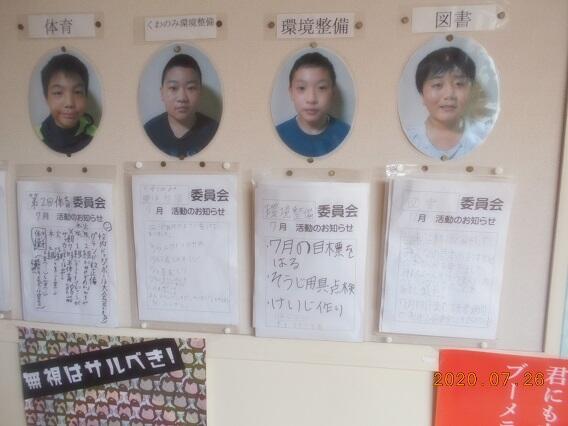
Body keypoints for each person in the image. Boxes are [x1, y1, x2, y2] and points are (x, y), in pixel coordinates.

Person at [407, 46, 491, 160]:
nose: (449, 94)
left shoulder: (486, 137)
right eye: (437, 85)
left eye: (459, 84)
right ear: (422, 95)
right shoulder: (409, 138)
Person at [276, 52, 350, 157]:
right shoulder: (277, 135)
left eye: (321, 88)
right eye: (301, 88)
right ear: (291, 92)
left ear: (333, 92)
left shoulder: (348, 134)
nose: (311, 99)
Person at [144, 54, 218, 158]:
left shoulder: (215, 132)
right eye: (173, 88)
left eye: (191, 88)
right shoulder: (149, 132)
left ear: (200, 93)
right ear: (162, 93)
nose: (182, 98)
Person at [37, 54, 97, 154]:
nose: (69, 103)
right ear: (46, 98)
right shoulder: (35, 136)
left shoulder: (97, 136)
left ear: (86, 96)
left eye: (77, 92)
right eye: (58, 92)